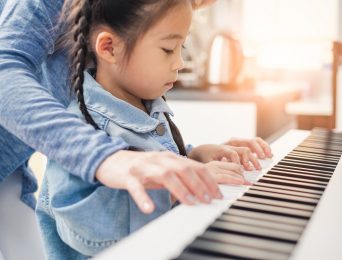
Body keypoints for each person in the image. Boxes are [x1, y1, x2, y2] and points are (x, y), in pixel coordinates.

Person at [0, 0, 272, 259]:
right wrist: (172, 190)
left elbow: (145, 155)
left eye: (182, 48)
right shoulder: (86, 122)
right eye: (168, 49)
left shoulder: (144, 103)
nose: (179, 63)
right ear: (108, 48)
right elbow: (87, 227)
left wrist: (191, 158)